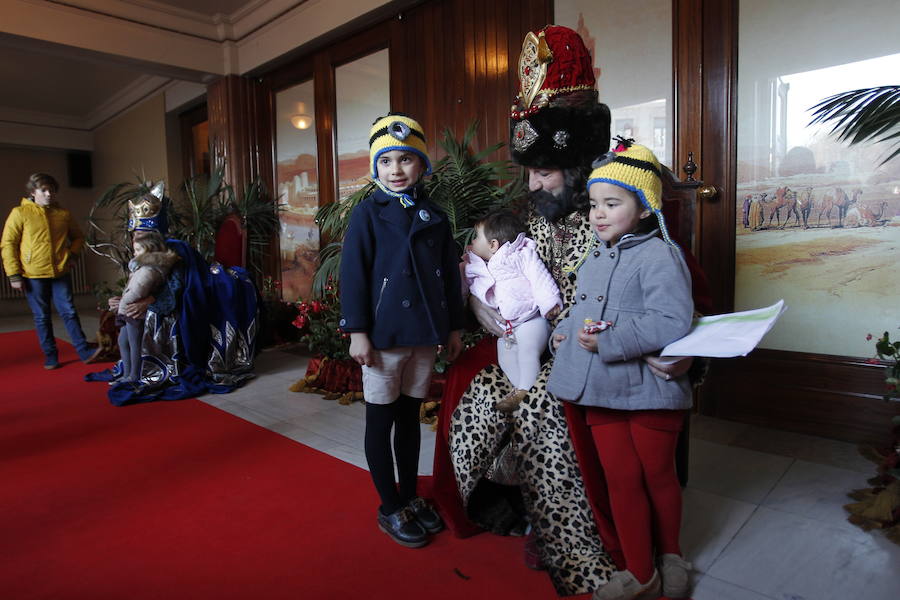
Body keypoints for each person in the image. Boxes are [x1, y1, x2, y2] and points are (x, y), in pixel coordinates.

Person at [429, 26, 710, 597]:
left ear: (576, 166)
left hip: (597, 354)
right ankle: (491, 499)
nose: (533, 184)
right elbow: (486, 265)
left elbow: (688, 304)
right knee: (473, 382)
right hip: (531, 339)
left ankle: (573, 539)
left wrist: (684, 357)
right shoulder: (530, 213)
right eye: (529, 172)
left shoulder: (623, 215)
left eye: (545, 172)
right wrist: (479, 306)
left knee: (542, 406)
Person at [548, 143, 694, 600]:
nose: (599, 214)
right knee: (621, 479)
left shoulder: (661, 255)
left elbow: (672, 320)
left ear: (645, 207)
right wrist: (563, 332)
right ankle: (639, 570)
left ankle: (671, 555)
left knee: (658, 475)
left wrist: (610, 341)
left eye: (612, 204)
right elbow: (584, 311)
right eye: (594, 204)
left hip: (650, 391)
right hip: (601, 388)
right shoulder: (595, 256)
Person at [340, 113, 466, 548]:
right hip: (384, 336)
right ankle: (390, 505)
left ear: (422, 164)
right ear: (375, 166)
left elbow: (449, 278)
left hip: (424, 335)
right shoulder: (367, 213)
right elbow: (353, 275)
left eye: (406, 159)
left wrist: (453, 328)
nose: (396, 169)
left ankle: (410, 496)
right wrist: (357, 331)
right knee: (381, 421)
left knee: (410, 420)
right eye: (386, 160)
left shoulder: (435, 215)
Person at [464, 209, 561, 412]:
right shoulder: (480, 267)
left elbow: (539, 277)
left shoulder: (518, 255)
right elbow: (470, 288)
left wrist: (549, 303)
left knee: (527, 351)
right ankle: (520, 390)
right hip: (508, 327)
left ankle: (527, 389)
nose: (472, 241)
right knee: (506, 357)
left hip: (531, 320)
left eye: (477, 237)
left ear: (493, 245)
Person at [1, 172, 100, 368]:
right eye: (44, 190)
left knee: (69, 312)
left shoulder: (63, 214)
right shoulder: (19, 213)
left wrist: (72, 256)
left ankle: (83, 351)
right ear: (33, 192)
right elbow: (8, 244)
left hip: (60, 272)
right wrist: (14, 275)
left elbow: (79, 237)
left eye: (52, 190)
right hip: (33, 275)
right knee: (42, 316)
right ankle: (51, 356)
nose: (49, 194)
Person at [115, 231, 180, 382]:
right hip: (129, 309)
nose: (134, 253)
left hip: (134, 312)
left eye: (138, 250)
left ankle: (133, 376)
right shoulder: (142, 267)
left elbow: (138, 291)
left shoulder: (149, 270)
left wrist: (123, 304)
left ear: (149, 250)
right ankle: (127, 373)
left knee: (135, 344)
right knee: (123, 341)